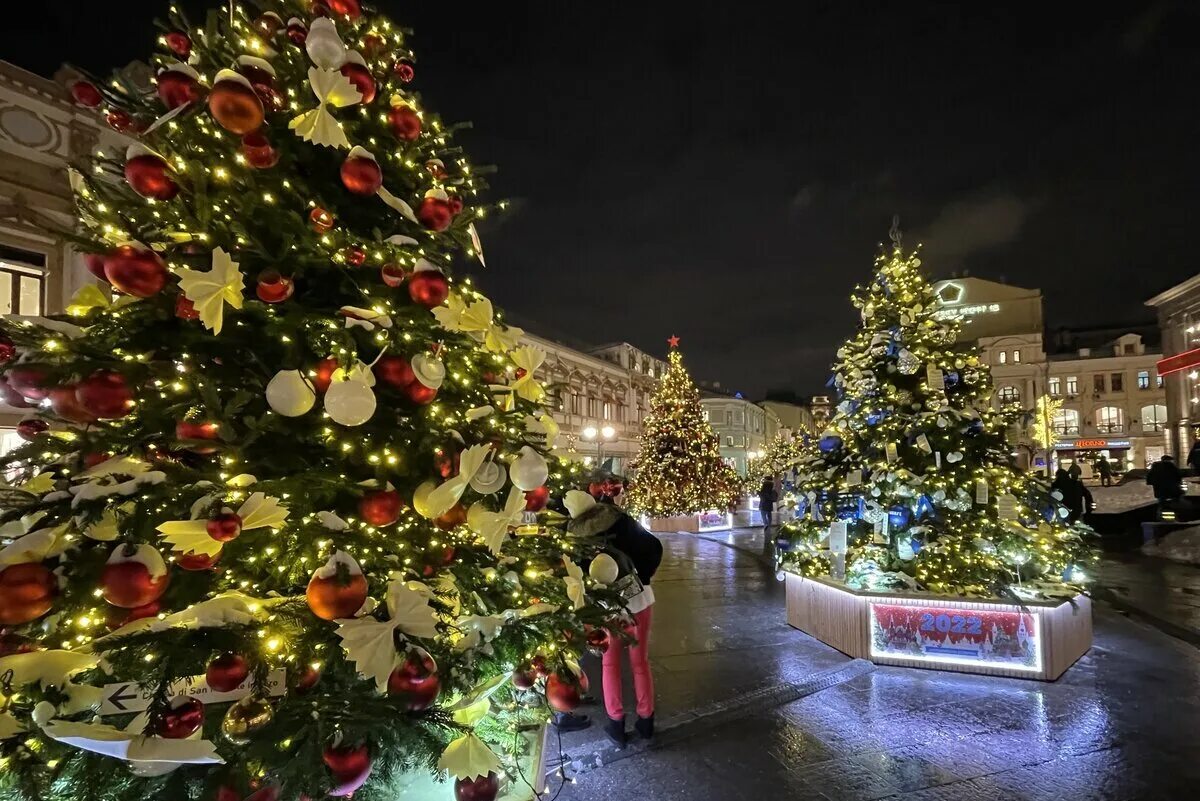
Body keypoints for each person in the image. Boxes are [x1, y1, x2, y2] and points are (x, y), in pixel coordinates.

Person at [565, 489, 663, 748]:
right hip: (639, 599)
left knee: (610, 665)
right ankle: (646, 721)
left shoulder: (576, 538)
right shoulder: (621, 520)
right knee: (640, 662)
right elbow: (654, 547)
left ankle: (616, 723)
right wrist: (643, 576)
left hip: (606, 609)